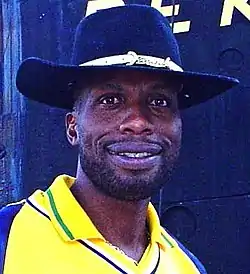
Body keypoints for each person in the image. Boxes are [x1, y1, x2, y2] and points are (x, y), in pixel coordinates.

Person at [0, 4, 239, 274]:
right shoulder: (8, 239)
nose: (137, 122)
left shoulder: (188, 267)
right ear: (73, 127)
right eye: (110, 100)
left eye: (159, 101)